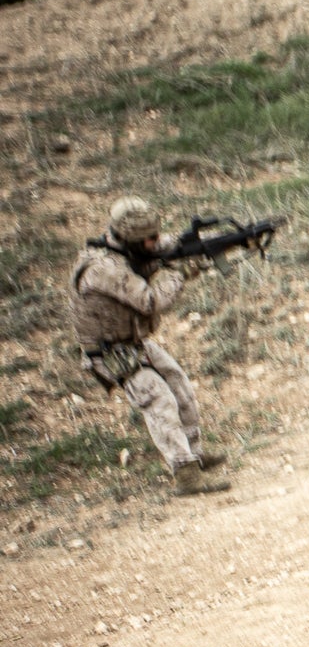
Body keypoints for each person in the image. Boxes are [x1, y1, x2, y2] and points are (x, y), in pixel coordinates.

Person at [69, 196, 230, 496]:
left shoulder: (133, 248)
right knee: (158, 400)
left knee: (179, 385)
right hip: (108, 353)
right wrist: (180, 272)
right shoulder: (103, 268)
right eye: (149, 239)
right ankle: (186, 475)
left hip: (133, 343)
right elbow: (150, 301)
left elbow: (168, 245)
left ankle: (194, 455)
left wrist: (220, 243)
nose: (156, 242)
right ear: (130, 239)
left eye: (155, 235)